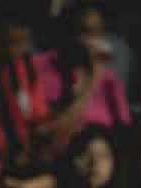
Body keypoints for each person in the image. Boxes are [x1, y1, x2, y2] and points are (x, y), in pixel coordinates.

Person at [33, 3, 134, 153]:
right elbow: (50, 134)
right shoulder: (42, 67)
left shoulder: (109, 78)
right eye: (85, 32)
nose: (92, 42)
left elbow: (125, 135)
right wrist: (92, 80)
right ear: (67, 32)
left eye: (98, 33)